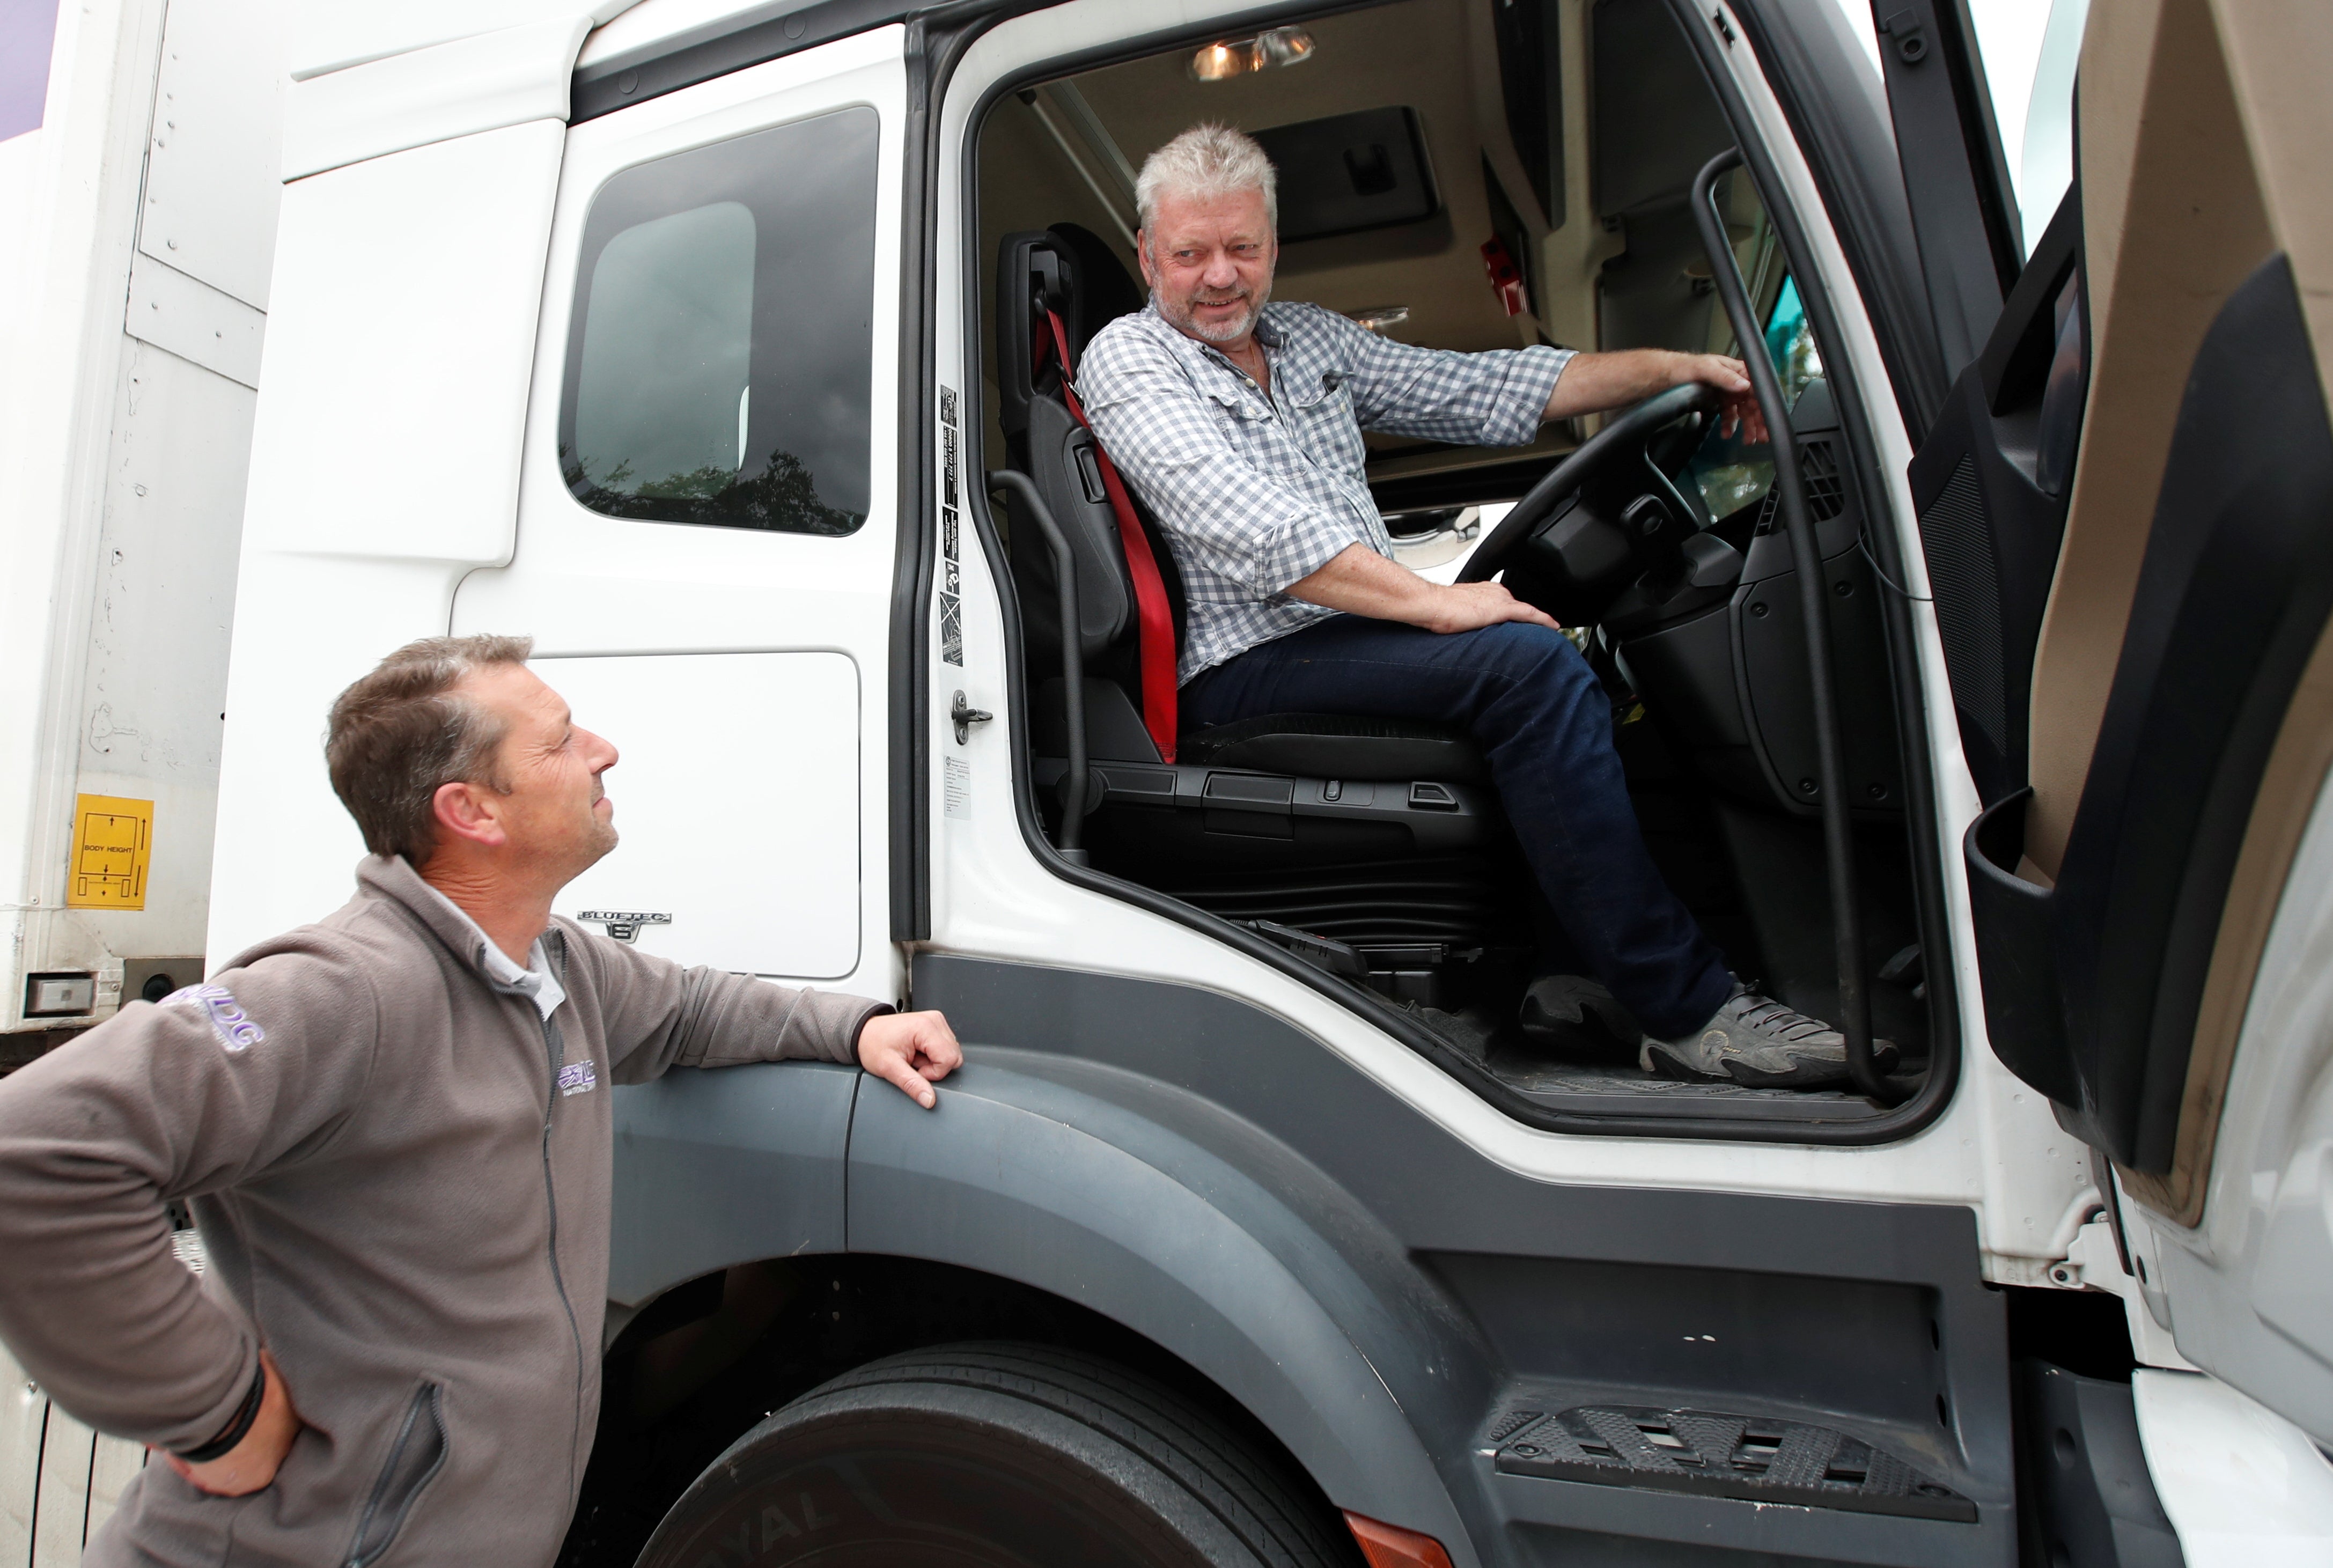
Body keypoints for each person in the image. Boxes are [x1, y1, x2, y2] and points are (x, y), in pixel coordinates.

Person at [0, 634, 962, 1565]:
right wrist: (217, 1414)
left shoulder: (555, 964)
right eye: (559, 740)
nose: (603, 750)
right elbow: (35, 1153)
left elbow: (690, 1011)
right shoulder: (346, 991)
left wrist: (855, 1028)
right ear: (473, 812)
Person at [1077, 123, 1878, 1089]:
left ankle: (1575, 974)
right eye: (1189, 254)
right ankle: (1689, 1013)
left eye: (1241, 248)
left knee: (1577, 668)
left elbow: (1480, 388)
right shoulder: (1129, 358)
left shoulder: (1308, 340)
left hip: (1341, 634)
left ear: (1273, 247)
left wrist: (1676, 367)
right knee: (1527, 666)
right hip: (1241, 667)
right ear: (1146, 257)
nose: (1218, 276)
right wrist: (1435, 605)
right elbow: (1249, 527)